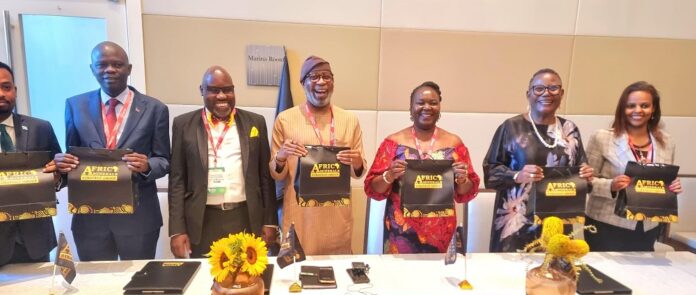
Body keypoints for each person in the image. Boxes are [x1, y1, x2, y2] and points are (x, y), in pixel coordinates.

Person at [55, 41, 170, 261]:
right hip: (90, 219)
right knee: (95, 279)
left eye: (117, 64)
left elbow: (164, 160)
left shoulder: (155, 109)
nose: (110, 70)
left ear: (129, 69)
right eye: (102, 65)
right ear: (92, 69)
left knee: (138, 279)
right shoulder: (75, 106)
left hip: (138, 218)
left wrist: (147, 165)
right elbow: (72, 156)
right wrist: (63, 165)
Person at [169, 66, 277, 258]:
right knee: (206, 274)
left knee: (247, 273)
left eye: (227, 90)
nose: (222, 96)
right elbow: (177, 180)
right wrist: (177, 230)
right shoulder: (183, 124)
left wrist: (270, 221)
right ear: (202, 90)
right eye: (214, 90)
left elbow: (265, 177)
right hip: (203, 221)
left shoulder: (255, 122)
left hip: (245, 217)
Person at [483, 68, 593, 252]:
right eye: (539, 88)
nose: (546, 93)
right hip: (516, 226)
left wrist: (586, 176)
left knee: (555, 268)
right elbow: (490, 174)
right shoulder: (511, 127)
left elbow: (583, 178)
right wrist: (517, 175)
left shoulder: (570, 129)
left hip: (558, 223)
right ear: (528, 94)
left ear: (561, 93)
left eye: (553, 88)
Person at [364, 81, 479, 253]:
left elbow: (466, 192)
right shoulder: (393, 143)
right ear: (411, 108)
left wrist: (462, 180)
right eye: (420, 103)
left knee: (439, 271)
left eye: (433, 103)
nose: (427, 107)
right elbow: (373, 189)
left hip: (441, 233)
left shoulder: (454, 143)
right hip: (401, 232)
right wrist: (389, 175)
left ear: (439, 107)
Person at [270, 56, 366, 255]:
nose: (321, 82)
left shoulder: (350, 120)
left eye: (326, 76)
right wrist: (281, 156)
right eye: (314, 77)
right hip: (300, 216)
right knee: (296, 269)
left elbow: (358, 172)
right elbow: (276, 174)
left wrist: (357, 162)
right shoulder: (285, 119)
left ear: (333, 82)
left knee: (337, 270)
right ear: (303, 83)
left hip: (336, 216)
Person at [585, 81, 682, 251]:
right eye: (631, 106)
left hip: (647, 226)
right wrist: (611, 185)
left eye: (644, 105)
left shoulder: (667, 142)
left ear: (653, 109)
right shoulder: (602, 138)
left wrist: (673, 186)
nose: (638, 110)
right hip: (607, 223)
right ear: (623, 109)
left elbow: (665, 179)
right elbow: (586, 182)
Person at [0, 61, 62, 266]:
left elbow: (61, 173)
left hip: (34, 240)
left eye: (6, 87)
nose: (1, 93)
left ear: (15, 90)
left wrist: (56, 177)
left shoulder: (40, 128)